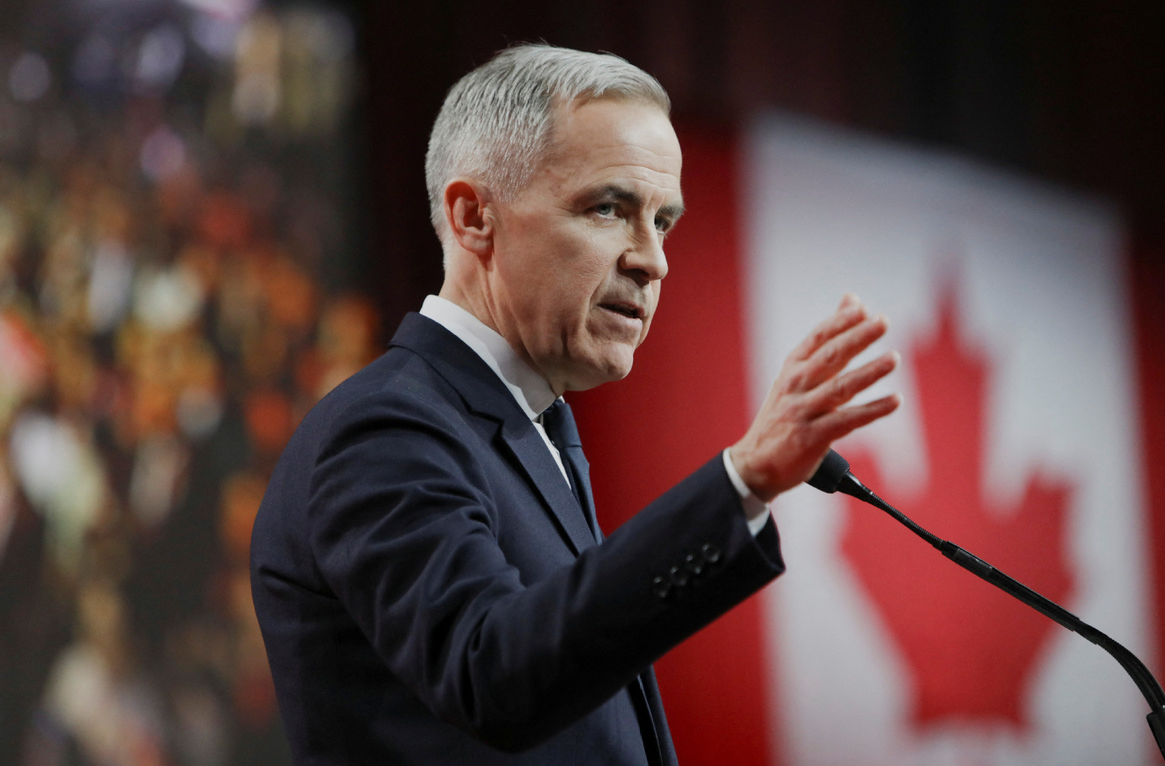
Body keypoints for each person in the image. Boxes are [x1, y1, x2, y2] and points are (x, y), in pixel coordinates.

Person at [250, 43, 901, 765]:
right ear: (473, 217)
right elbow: (491, 671)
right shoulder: (386, 429)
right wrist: (739, 482)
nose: (652, 259)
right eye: (608, 208)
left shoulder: (534, 426)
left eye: (663, 222)